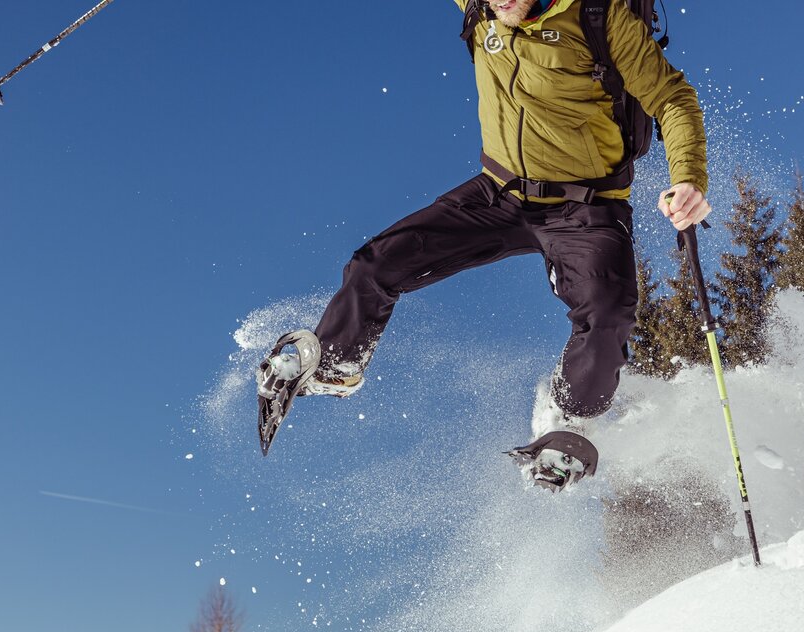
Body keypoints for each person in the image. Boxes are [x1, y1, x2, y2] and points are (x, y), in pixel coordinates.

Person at [257, 0, 712, 486]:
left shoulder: (599, 16)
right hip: (497, 194)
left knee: (608, 317)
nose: (501, 2)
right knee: (375, 265)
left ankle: (570, 417)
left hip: (587, 206)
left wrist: (687, 179)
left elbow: (672, 97)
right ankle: (336, 365)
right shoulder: (482, 7)